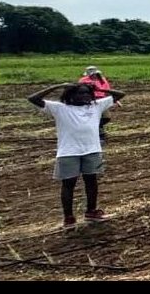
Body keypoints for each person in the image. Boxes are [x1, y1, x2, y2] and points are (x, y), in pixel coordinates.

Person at [28, 82, 125, 228]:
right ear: (71, 95)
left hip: (92, 150)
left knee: (92, 182)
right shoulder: (60, 108)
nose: (85, 96)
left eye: (87, 93)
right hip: (68, 152)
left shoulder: (96, 106)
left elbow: (120, 94)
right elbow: (33, 98)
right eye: (81, 93)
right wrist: (56, 86)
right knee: (68, 184)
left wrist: (97, 88)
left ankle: (91, 211)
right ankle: (68, 217)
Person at [77, 66, 116, 143]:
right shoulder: (83, 80)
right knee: (95, 117)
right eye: (92, 74)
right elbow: (79, 91)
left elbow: (107, 90)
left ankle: (94, 129)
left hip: (102, 100)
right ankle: (100, 135)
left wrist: (115, 100)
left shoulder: (102, 79)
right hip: (90, 100)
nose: (94, 75)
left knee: (106, 117)